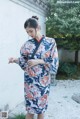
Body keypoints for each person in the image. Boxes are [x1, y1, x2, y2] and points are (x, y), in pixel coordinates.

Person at [8, 16, 59, 119]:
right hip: (30, 82)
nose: (29, 34)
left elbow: (54, 62)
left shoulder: (50, 42)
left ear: (38, 28)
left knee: (41, 110)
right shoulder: (27, 45)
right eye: (27, 32)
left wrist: (39, 61)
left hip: (43, 81)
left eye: (31, 31)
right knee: (30, 111)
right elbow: (23, 61)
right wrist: (15, 60)